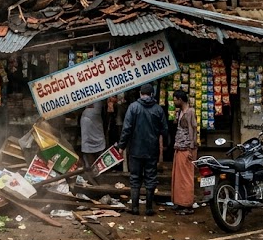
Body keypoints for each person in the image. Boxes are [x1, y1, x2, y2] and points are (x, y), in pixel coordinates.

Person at [115, 84, 168, 216]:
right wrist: (165, 145)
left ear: (140, 93)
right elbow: (164, 129)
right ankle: (149, 208)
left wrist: (122, 146)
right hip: (152, 149)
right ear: (152, 94)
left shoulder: (133, 107)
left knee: (135, 178)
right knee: (151, 178)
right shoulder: (158, 109)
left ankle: (135, 207)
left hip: (135, 149)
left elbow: (126, 129)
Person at [170, 90, 198, 214]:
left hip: (186, 148)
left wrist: (192, 148)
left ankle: (187, 204)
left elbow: (193, 130)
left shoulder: (190, 112)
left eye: (175, 99)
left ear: (180, 100)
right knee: (178, 178)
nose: (174, 102)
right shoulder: (180, 112)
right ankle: (179, 202)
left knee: (186, 178)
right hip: (179, 147)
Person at [79, 100, 106, 168]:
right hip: (89, 117)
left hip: (93, 118)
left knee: (93, 143)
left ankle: (96, 166)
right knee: (88, 143)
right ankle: (92, 166)